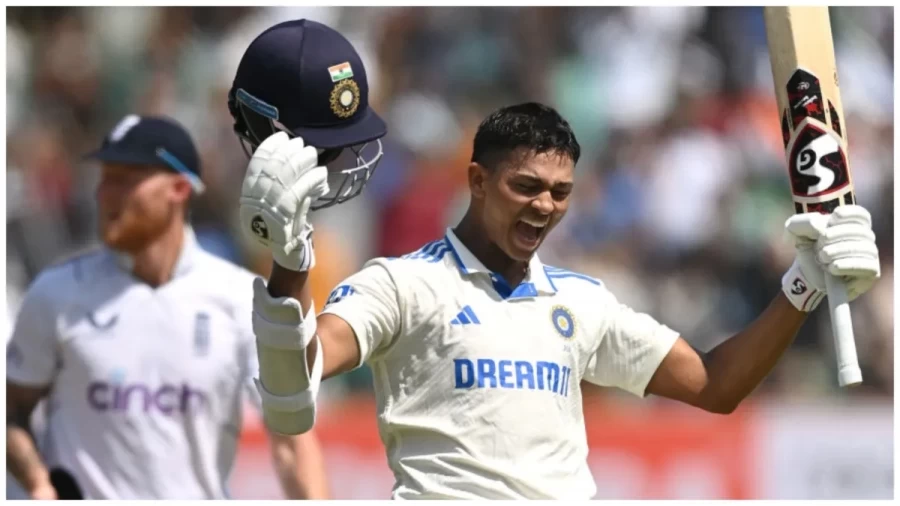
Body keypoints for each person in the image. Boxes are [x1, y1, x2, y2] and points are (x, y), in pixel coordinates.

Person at [231, 19, 881, 500]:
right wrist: (289, 260)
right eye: (526, 187)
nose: (544, 207)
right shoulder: (403, 284)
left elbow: (716, 385)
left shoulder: (580, 301)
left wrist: (802, 284)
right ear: (478, 181)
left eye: (560, 192)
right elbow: (296, 385)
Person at [5, 115, 330, 500]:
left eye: (124, 180)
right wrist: (38, 483)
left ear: (179, 188)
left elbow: (292, 442)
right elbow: (11, 411)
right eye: (105, 178)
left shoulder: (240, 298)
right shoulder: (56, 292)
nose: (105, 194)